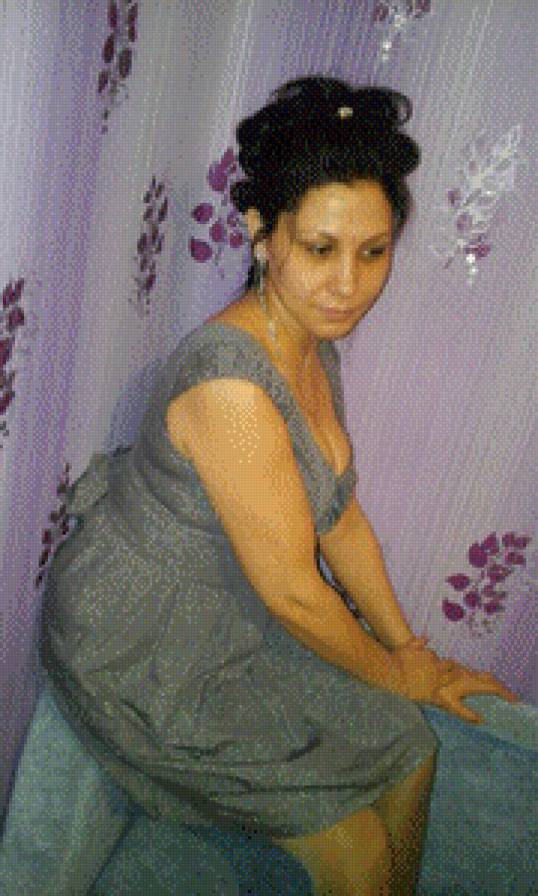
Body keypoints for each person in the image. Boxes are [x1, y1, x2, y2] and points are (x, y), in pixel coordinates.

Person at [1, 76, 519, 896]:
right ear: (260, 234)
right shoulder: (232, 389)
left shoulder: (312, 343)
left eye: (373, 251)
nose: (348, 284)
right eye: (320, 249)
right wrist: (399, 678)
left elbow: (339, 521)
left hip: (237, 600)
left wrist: (411, 653)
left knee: (412, 751)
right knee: (353, 851)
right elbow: (297, 597)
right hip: (143, 644)